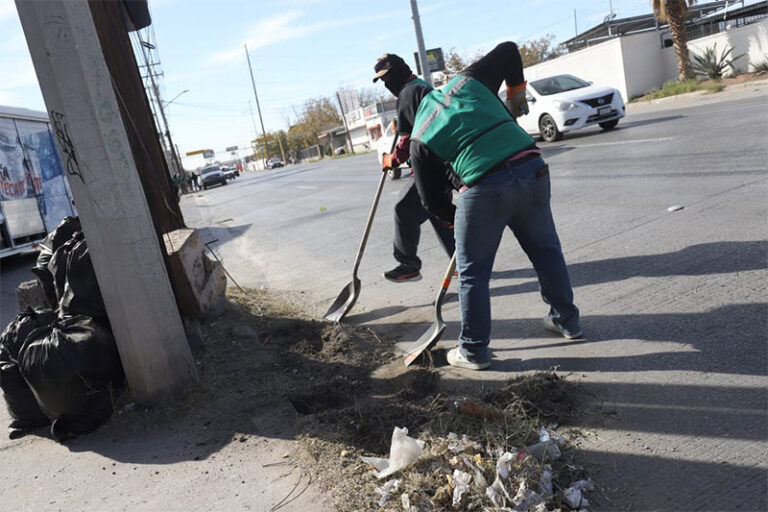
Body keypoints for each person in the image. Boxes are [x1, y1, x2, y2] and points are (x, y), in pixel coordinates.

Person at [408, 42, 581, 370]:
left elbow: (430, 200)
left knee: (473, 274)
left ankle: (473, 351)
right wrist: (516, 93)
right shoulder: (466, 83)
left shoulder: (419, 135)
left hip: (484, 187)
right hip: (532, 168)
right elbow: (508, 50)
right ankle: (567, 321)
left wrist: (455, 221)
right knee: (546, 250)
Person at [373, 53, 455, 283]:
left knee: (404, 210)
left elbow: (409, 140)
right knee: (439, 214)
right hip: (442, 163)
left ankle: (408, 264)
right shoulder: (421, 88)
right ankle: (462, 261)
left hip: (428, 166)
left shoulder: (409, 93)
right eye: (382, 80)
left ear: (399, 71)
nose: (387, 83)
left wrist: (393, 159)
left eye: (388, 77)